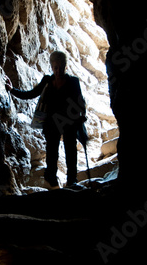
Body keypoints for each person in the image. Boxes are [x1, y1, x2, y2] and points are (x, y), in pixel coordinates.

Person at [5, 51, 87, 189]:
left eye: (61, 67)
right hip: (52, 123)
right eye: (55, 67)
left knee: (71, 151)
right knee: (52, 152)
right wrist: (12, 90)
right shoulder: (47, 81)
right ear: (51, 67)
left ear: (65, 66)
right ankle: (51, 181)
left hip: (69, 122)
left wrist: (81, 117)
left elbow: (80, 103)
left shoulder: (73, 82)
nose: (58, 70)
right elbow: (31, 94)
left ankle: (72, 181)